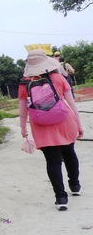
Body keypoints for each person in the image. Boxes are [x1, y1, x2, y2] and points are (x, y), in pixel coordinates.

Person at [19, 49, 84, 211]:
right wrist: (78, 124)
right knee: (69, 152)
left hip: (41, 125)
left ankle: (61, 198)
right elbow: (71, 103)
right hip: (64, 121)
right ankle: (75, 185)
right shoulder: (58, 78)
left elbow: (23, 111)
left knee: (52, 161)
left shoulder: (24, 84)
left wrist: (23, 129)